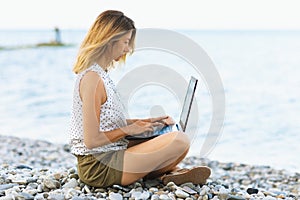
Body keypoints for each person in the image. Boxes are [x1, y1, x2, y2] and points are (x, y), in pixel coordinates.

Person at [69, 10, 211, 188]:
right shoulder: (92, 78)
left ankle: (168, 175)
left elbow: (105, 123)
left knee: (170, 140)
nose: (127, 49)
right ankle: (170, 172)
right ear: (109, 40)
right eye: (125, 42)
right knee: (179, 140)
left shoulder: (100, 74)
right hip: (99, 167)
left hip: (111, 153)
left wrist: (147, 122)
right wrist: (130, 129)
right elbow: (91, 140)